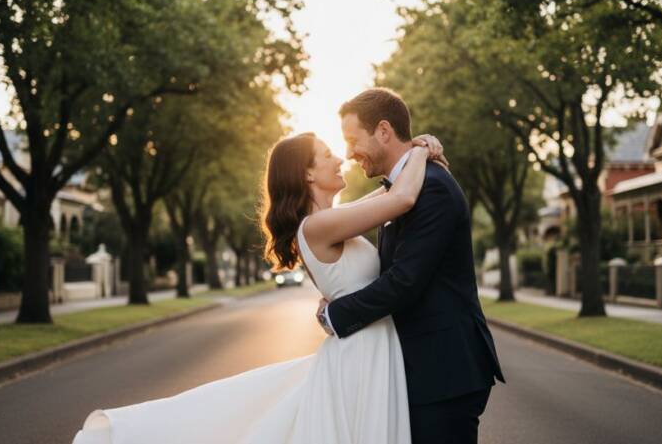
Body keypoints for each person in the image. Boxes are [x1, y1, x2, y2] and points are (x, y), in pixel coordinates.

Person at [71, 126, 449, 443]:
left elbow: (386, 193)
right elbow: (401, 197)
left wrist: (417, 153)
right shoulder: (317, 226)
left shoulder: (332, 218)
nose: (341, 158)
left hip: (367, 346)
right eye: (328, 153)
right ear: (307, 174)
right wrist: (420, 149)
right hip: (360, 353)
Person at [319, 88, 504, 443]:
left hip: (445, 372)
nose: (348, 153)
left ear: (384, 131)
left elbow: (404, 281)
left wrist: (336, 315)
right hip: (424, 372)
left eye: (352, 139)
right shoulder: (401, 190)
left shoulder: (431, 188)